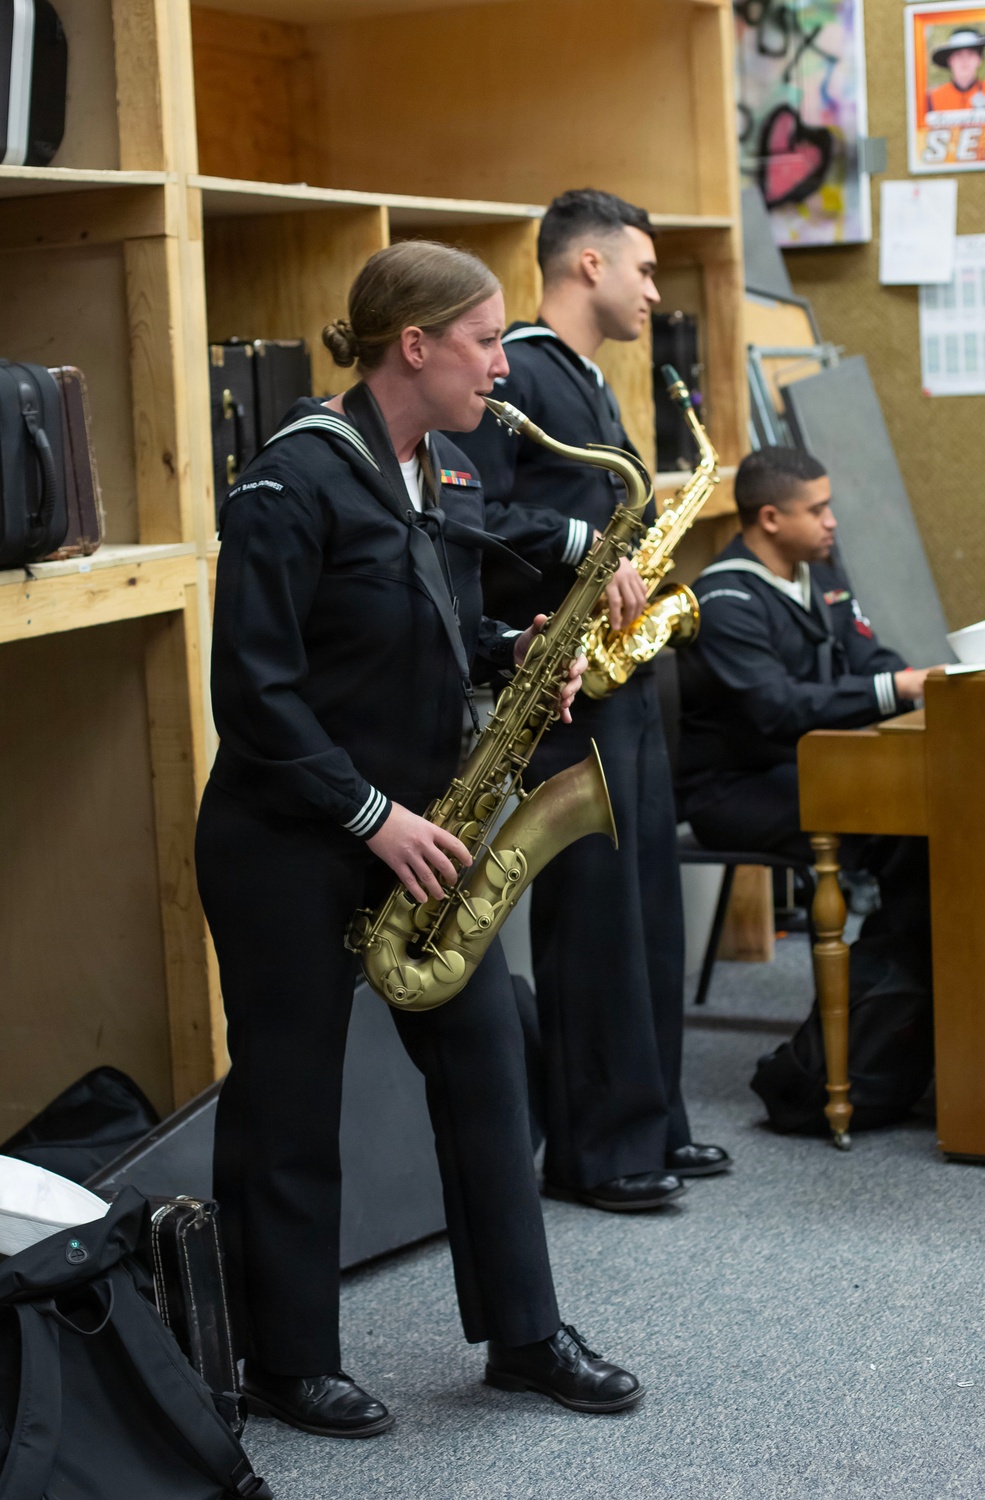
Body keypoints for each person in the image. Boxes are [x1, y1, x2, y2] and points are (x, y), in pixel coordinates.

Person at [196, 240, 646, 1439]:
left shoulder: (440, 471)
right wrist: (370, 818)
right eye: (486, 342)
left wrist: (520, 664)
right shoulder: (292, 483)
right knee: (291, 1103)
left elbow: (436, 634)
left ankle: (525, 1336)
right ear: (415, 345)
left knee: (490, 1076)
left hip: (426, 837)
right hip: (290, 840)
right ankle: (286, 1361)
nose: (502, 367)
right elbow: (253, 694)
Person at [452, 189, 730, 1216]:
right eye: (645, 271)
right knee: (598, 918)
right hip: (563, 681)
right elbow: (467, 514)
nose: (655, 291)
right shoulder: (513, 367)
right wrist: (581, 548)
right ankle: (597, 1151)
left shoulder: (584, 378)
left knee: (647, 899)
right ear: (588, 268)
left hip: (618, 668)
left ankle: (652, 1120)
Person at [676, 446, 943, 1132]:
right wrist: (893, 689)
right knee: (911, 837)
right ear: (770, 517)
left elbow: (871, 657)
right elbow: (778, 710)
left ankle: (907, 1031)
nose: (832, 523)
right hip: (735, 794)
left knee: (935, 833)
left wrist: (911, 682)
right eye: (817, 510)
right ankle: (875, 1040)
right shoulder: (724, 598)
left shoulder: (818, 578)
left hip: (810, 772)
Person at [927, 27, 985, 113]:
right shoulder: (933, 98)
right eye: (958, 55)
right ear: (950, 60)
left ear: (979, 59)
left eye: (970, 54)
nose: (964, 60)